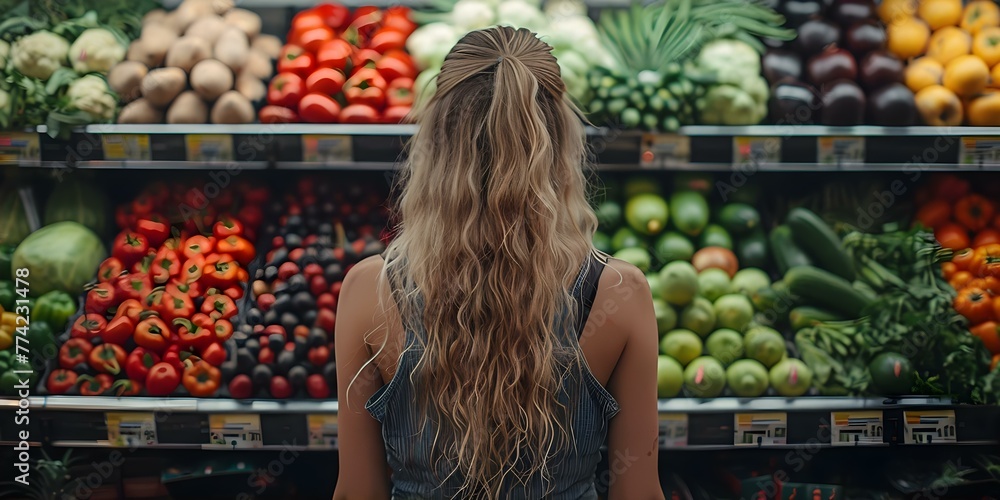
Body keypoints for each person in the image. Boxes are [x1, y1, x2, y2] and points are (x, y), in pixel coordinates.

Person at [334, 26, 662, 500]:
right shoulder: (619, 292)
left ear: (436, 143)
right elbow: (639, 494)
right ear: (560, 142)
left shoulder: (370, 289)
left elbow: (357, 493)